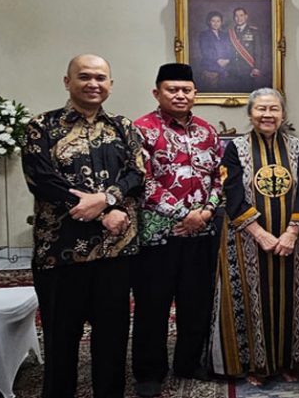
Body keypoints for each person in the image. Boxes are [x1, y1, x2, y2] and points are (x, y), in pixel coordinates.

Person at [22, 54, 145, 398]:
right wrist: (102, 213)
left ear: (110, 85)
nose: (93, 84)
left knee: (113, 339)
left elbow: (137, 174)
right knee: (61, 340)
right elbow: (42, 180)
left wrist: (106, 199)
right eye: (85, 76)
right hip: (61, 254)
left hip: (115, 253)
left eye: (100, 78)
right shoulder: (41, 127)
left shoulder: (123, 127)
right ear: (68, 82)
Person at [208, 88, 299, 386]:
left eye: (273, 109)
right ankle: (254, 363)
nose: (267, 115)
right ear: (250, 114)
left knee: (293, 297)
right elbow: (232, 194)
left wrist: (291, 233)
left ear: (283, 114)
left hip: (294, 240)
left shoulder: (297, 146)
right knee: (252, 298)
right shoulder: (235, 148)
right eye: (260, 109)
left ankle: (293, 361)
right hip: (247, 240)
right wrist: (260, 234)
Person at [131, 63, 222, 397]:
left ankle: (189, 361)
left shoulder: (207, 131)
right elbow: (142, 182)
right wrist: (185, 214)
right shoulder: (141, 130)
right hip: (158, 235)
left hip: (201, 233)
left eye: (186, 90)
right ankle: (149, 373)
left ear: (195, 93)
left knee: (196, 302)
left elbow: (219, 177)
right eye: (172, 89)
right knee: (152, 304)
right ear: (157, 93)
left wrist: (207, 210)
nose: (180, 95)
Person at [198, 11, 234, 91]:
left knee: (225, 90)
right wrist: (217, 60)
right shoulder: (204, 34)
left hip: (225, 68)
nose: (216, 23)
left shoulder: (225, 35)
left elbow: (230, 49)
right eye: (213, 21)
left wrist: (228, 60)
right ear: (209, 22)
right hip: (210, 68)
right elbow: (205, 51)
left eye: (218, 21)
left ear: (221, 22)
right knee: (212, 90)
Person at [228, 7, 261, 92]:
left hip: (248, 69)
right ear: (234, 18)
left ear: (246, 16)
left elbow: (258, 51)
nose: (239, 18)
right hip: (232, 70)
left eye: (241, 15)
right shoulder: (230, 32)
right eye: (236, 16)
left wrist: (256, 68)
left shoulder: (254, 31)